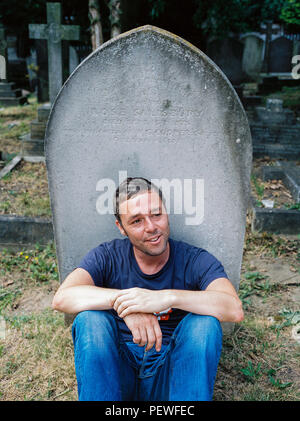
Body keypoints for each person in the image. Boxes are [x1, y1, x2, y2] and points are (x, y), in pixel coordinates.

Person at [52, 177, 244, 401]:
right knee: (89, 320)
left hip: (172, 372)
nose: (152, 227)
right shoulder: (107, 256)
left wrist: (167, 298)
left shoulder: (195, 260)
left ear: (166, 213)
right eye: (136, 221)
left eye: (156, 214)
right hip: (116, 372)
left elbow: (233, 309)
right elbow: (62, 298)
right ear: (121, 227)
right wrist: (128, 304)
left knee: (205, 324)